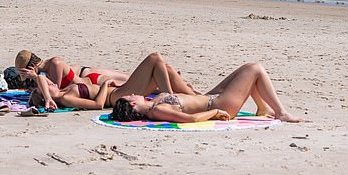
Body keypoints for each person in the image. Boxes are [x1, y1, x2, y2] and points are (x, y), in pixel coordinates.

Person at [110, 58, 303, 124]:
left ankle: (263, 108)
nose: (133, 93)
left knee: (245, 71)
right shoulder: (156, 110)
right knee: (255, 69)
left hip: (209, 97)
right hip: (219, 104)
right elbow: (192, 119)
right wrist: (216, 112)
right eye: (130, 96)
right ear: (133, 104)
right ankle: (280, 113)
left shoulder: (155, 102)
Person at [27, 52, 198, 110]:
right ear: (47, 96)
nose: (49, 83)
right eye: (47, 87)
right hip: (115, 96)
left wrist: (40, 83)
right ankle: (169, 97)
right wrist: (105, 85)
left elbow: (41, 79)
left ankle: (196, 96)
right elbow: (98, 105)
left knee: (165, 68)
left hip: (118, 91)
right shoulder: (65, 98)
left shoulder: (62, 92)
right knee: (155, 59)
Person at [15, 50, 131, 108]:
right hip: (88, 84)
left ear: (30, 67)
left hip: (92, 78)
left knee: (130, 79)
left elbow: (57, 88)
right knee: (133, 84)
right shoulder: (44, 72)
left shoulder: (55, 63)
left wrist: (35, 78)